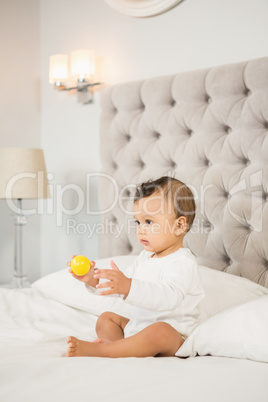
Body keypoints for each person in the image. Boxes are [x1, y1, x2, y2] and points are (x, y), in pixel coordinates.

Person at [66, 176, 205, 358]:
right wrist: (93, 278)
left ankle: (104, 350)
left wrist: (129, 286)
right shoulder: (145, 257)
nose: (140, 229)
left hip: (173, 339)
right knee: (106, 319)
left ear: (179, 226)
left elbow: (169, 297)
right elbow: (120, 286)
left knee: (160, 330)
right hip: (138, 331)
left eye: (149, 222)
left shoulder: (183, 262)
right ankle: (122, 348)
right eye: (138, 222)